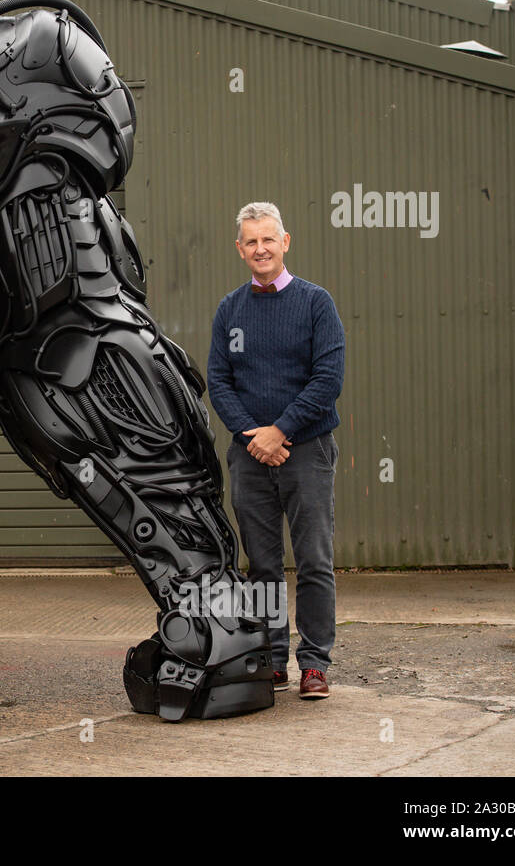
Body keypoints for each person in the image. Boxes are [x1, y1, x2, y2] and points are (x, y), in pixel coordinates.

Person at [207, 202, 345, 701]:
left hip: (306, 450)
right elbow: (219, 383)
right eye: (251, 241)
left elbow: (327, 380)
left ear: (285, 242)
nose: (260, 248)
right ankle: (271, 659)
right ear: (240, 248)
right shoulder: (230, 309)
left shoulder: (315, 304)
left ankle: (314, 664)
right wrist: (253, 437)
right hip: (249, 456)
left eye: (269, 239)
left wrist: (280, 431)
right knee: (262, 565)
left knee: (313, 559)